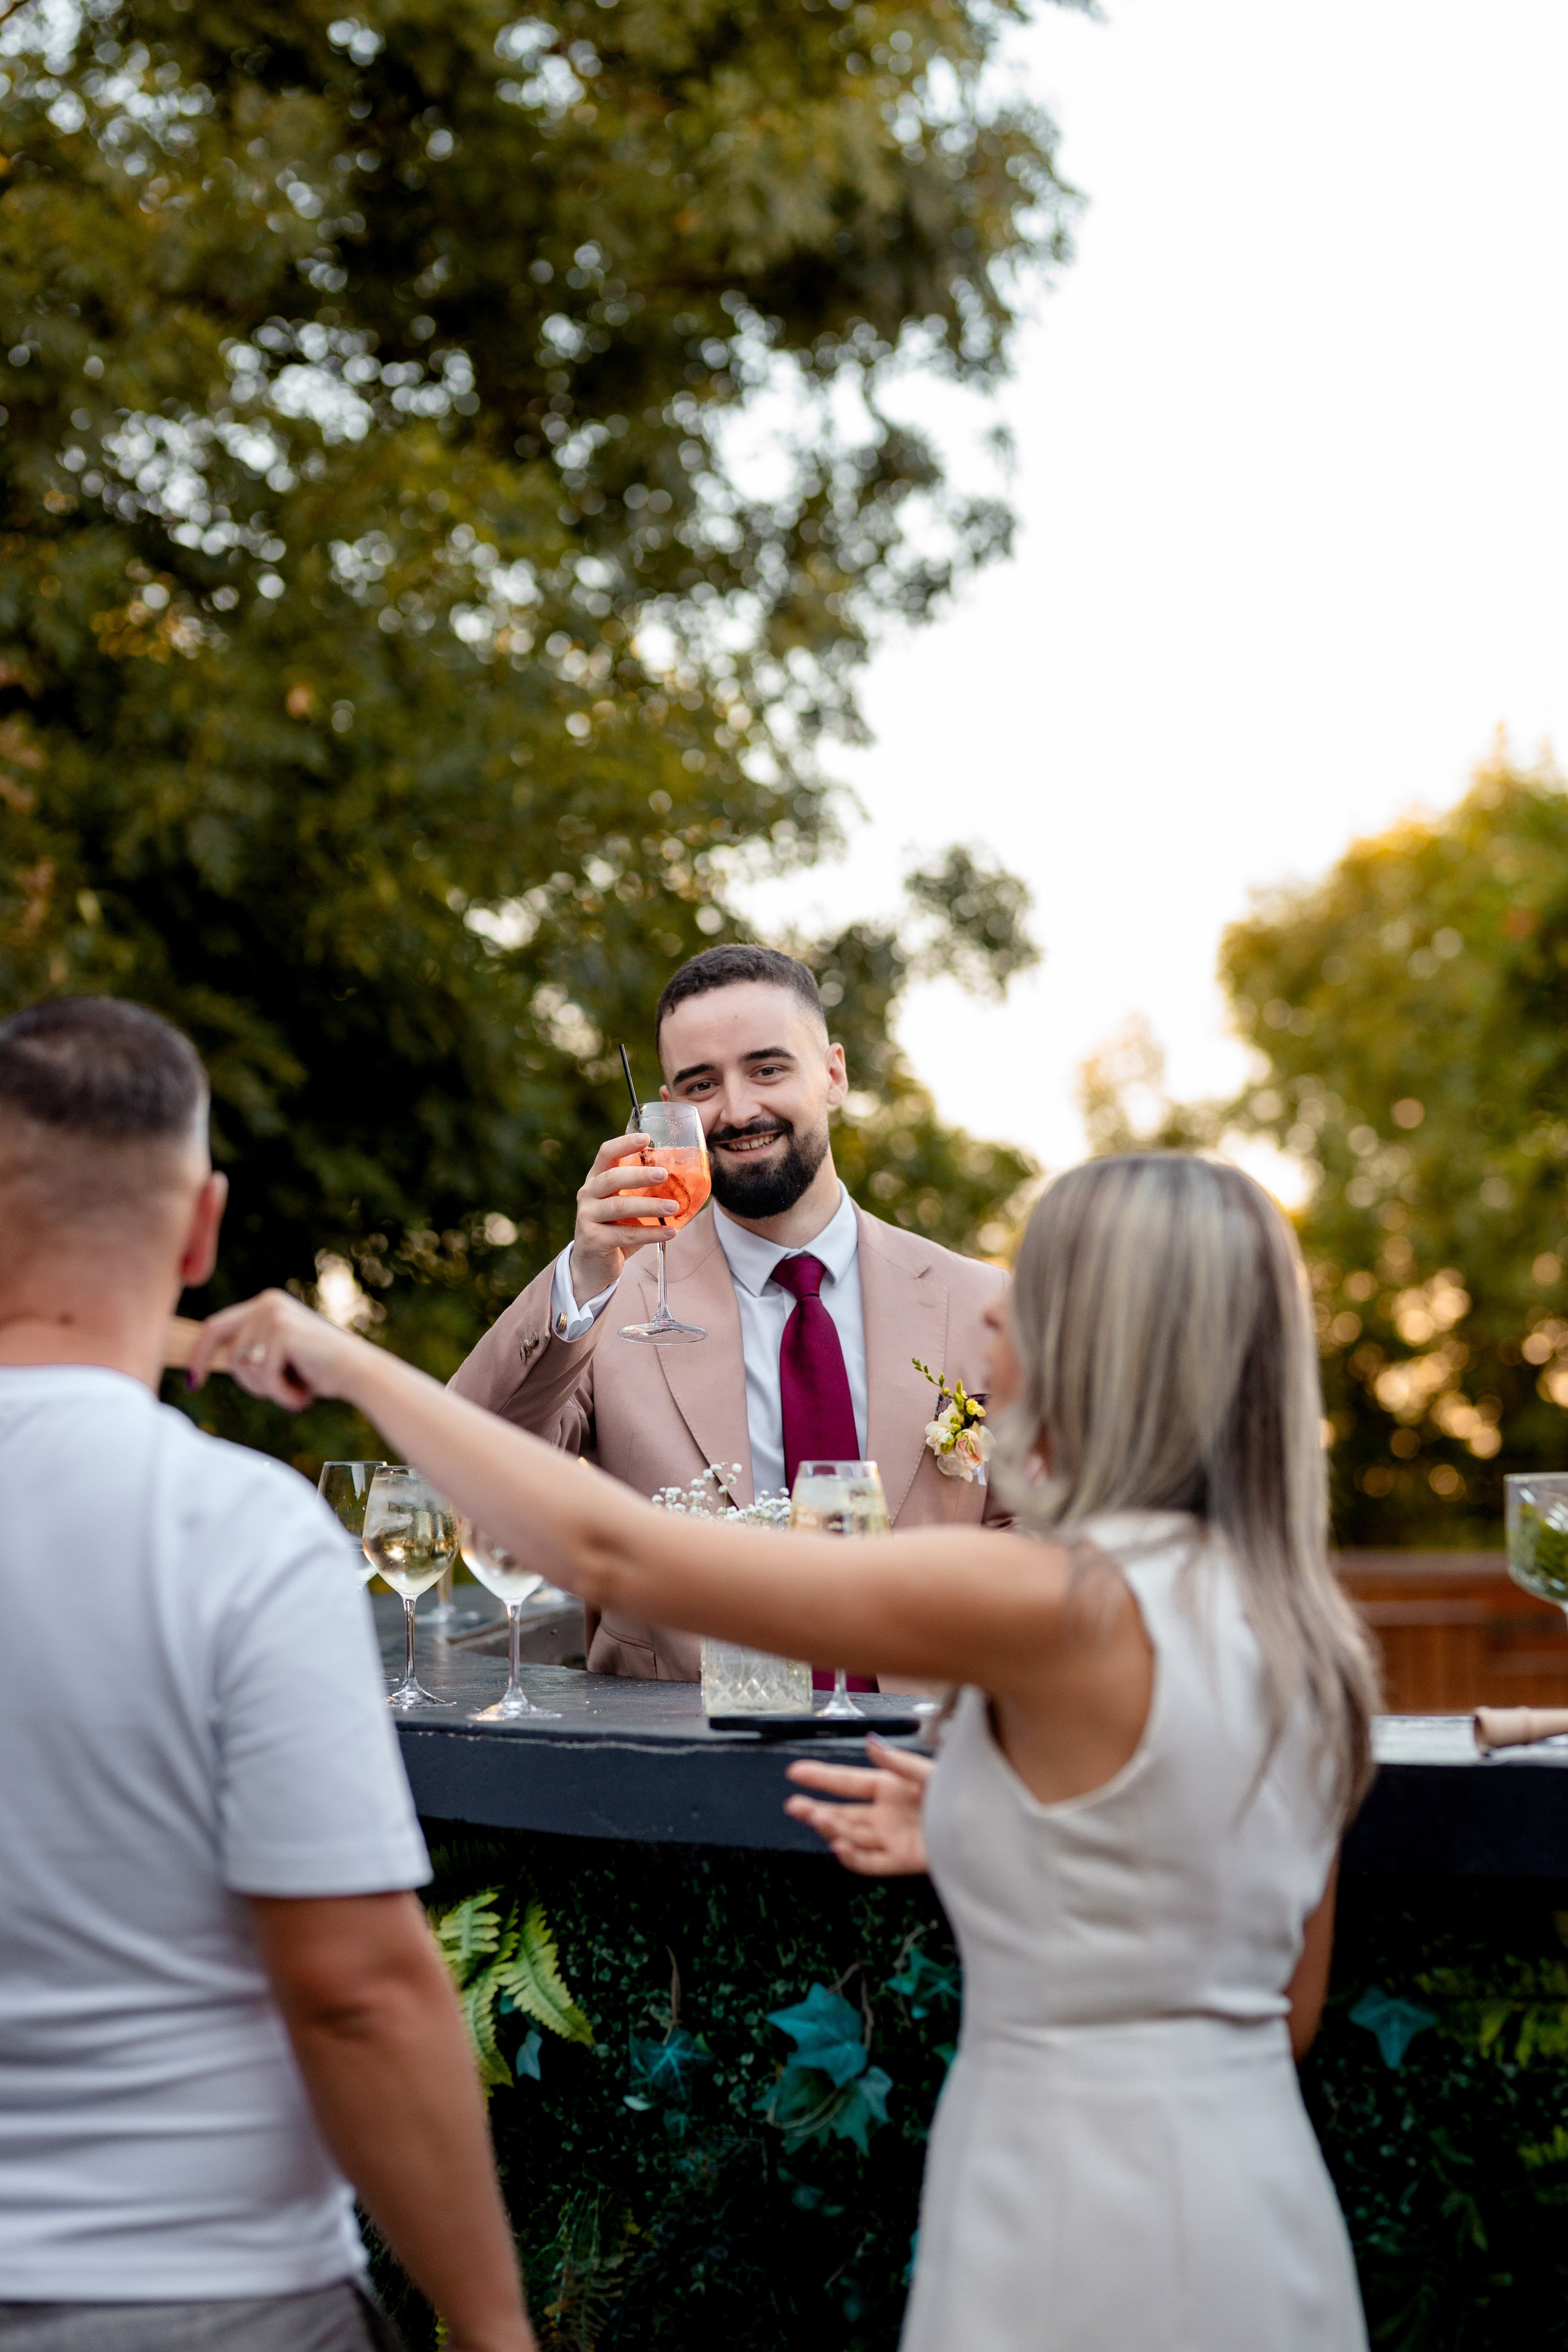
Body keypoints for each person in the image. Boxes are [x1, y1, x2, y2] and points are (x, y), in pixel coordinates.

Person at [195, 1150, 1379, 2352]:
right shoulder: (1299, 1633)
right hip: (1257, 2215)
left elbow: (614, 1558)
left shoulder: (1056, 1602)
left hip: (1085, 2230)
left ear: (1112, 1340)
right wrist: (999, 1822)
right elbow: (1268, 2000)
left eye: (1029, 1285)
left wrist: (346, 1361)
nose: (986, 1307)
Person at [0, 998, 534, 2352]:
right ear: (202, 1224)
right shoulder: (234, 1530)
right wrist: (488, 2327)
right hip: (193, 2287)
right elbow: (353, 1983)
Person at [450, 943, 1009, 1680]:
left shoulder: (984, 1303)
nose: (738, 1109)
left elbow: (1042, 1535)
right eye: (701, 1084)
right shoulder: (610, 1301)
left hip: (920, 1763)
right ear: (669, 1107)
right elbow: (470, 1482)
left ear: (833, 1073)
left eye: (767, 1069)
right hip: (680, 1762)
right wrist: (584, 1275)